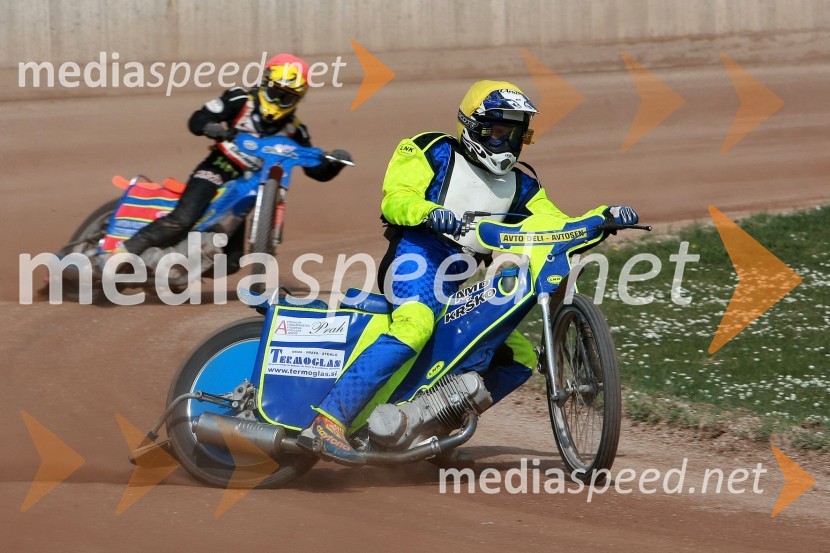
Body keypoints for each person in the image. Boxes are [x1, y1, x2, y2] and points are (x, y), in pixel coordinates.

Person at [297, 80, 638, 465]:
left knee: (518, 357)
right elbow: (396, 197)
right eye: (498, 131)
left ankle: (426, 432)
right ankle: (328, 421)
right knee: (414, 327)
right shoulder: (432, 150)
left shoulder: (522, 185)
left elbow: (554, 224)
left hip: (459, 279)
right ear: (474, 126)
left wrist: (602, 217)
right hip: (417, 258)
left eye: (515, 134)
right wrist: (428, 212)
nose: (507, 142)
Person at [111, 53, 352, 261]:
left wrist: (334, 163)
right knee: (183, 220)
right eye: (274, 92)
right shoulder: (239, 99)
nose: (278, 101)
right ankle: (123, 252)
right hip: (218, 168)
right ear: (265, 83)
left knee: (231, 262)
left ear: (297, 100)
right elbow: (198, 118)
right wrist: (211, 127)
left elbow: (314, 170)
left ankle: (177, 269)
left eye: (286, 97)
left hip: (248, 188)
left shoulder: (295, 130)